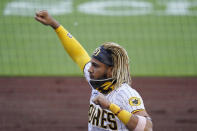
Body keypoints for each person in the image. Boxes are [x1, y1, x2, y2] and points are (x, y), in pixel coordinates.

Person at [35, 10, 153, 131]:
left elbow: (147, 128)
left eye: (95, 66)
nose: (89, 69)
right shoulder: (97, 79)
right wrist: (54, 24)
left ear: (111, 71)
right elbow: (79, 54)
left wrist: (110, 106)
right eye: (91, 64)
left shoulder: (126, 94)